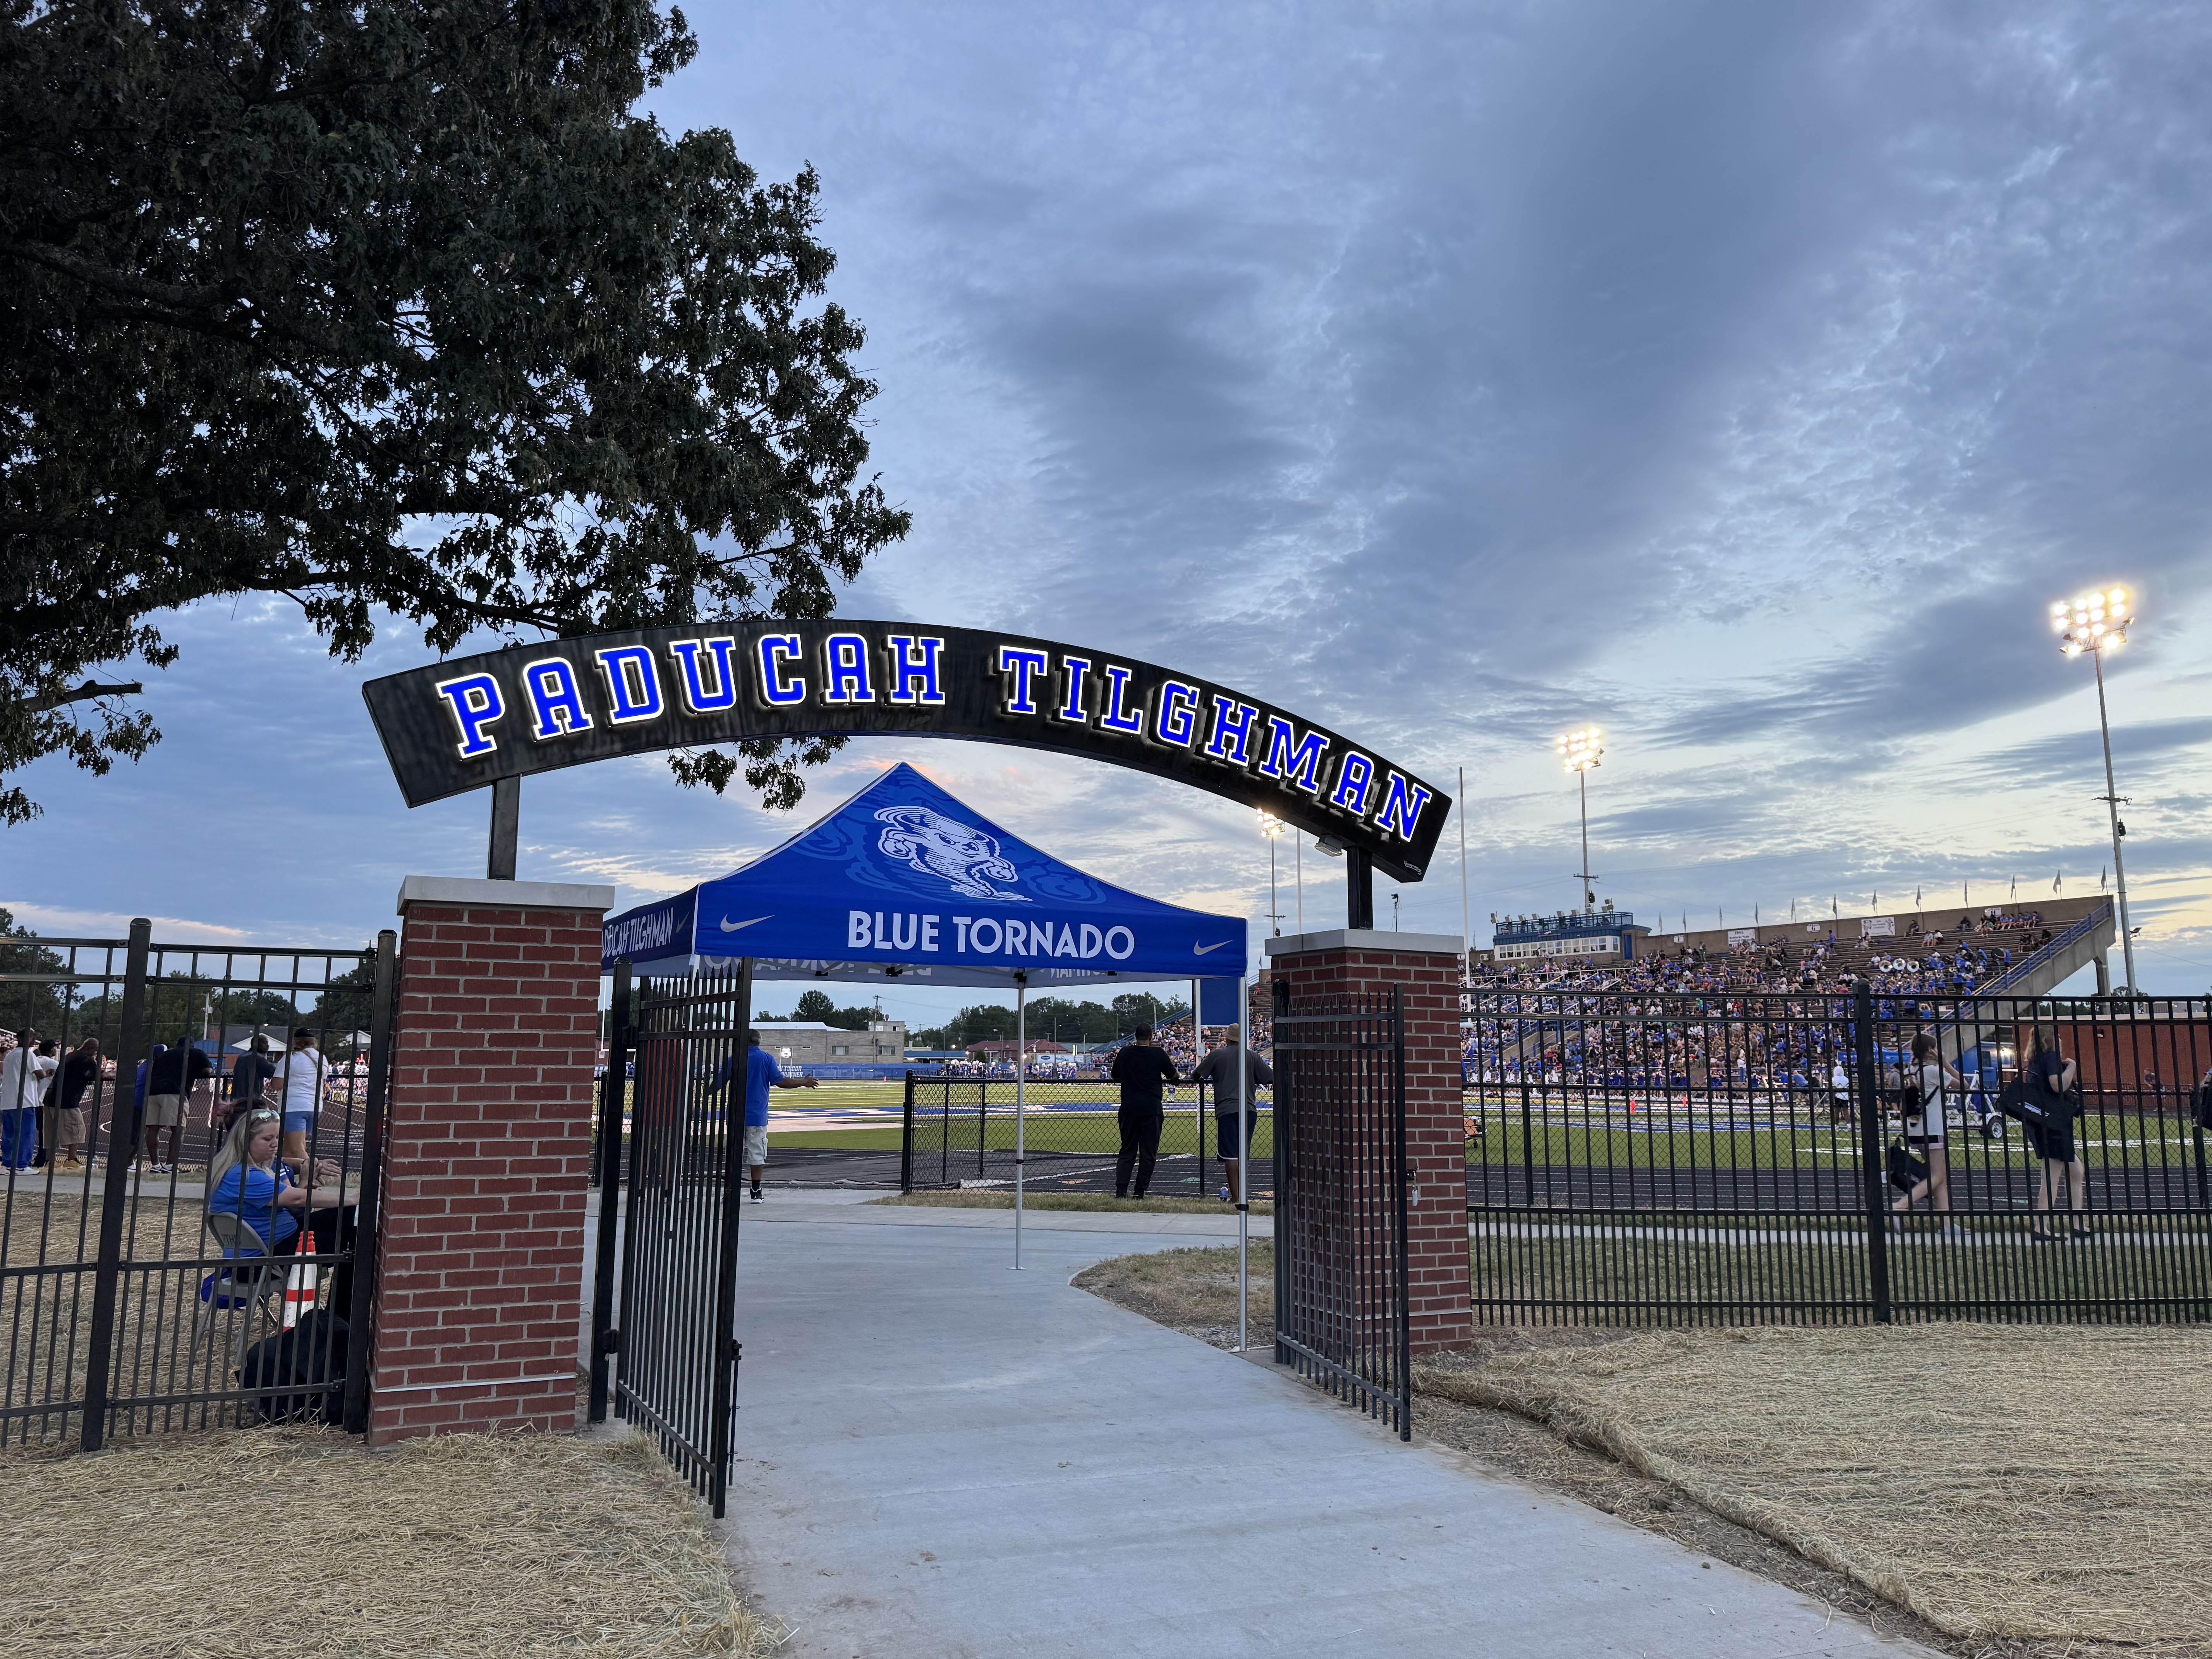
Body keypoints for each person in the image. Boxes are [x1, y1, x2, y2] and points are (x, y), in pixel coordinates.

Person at [1192, 1027, 1273, 1203]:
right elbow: (1270, 1078)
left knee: (1230, 1155)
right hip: (1249, 1109)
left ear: (1227, 1039)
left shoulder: (1217, 1055)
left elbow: (1197, 1075)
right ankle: (1243, 1195)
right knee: (1243, 1154)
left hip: (1227, 1109)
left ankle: (1236, 1198)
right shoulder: (1252, 1056)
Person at [737, 1029, 818, 1202]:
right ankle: (756, 1190)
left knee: (734, 1154)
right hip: (757, 1116)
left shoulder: (734, 1058)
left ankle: (731, 1190)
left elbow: (717, 1085)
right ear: (759, 1042)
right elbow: (781, 1082)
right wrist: (804, 1082)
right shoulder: (766, 1058)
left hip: (736, 1115)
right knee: (757, 1155)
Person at [2023, 1025, 2087, 1239]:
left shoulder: (2035, 1061)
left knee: (2076, 1170)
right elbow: (2058, 1085)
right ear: (2050, 1039)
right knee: (2051, 1175)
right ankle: (2041, 1226)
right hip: (2054, 1124)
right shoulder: (2050, 1058)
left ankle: (2077, 1222)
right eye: (2057, 1035)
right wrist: (2072, 1068)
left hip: (2046, 1122)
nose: (2061, 1039)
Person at [1893, 1031, 1959, 1219]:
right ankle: (1900, 1206)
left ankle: (1947, 1225)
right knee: (1938, 1176)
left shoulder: (1908, 1071)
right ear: (1931, 1051)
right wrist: (1945, 1063)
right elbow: (1964, 1084)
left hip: (1915, 1127)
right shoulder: (1931, 1071)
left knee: (1940, 1178)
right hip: (1933, 1128)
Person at [1109, 1024, 1180, 1199]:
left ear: (1136, 1037)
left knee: (1127, 1150)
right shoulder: (1158, 1054)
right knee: (1148, 1153)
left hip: (1129, 1106)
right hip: (1151, 1107)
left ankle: (1121, 1190)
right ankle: (1139, 1192)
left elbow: (1115, 1074)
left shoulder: (1125, 1053)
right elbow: (1174, 1077)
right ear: (1151, 1038)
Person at [141, 1034, 215, 1173]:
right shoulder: (196, 1053)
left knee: (153, 1128)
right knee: (178, 1129)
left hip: (153, 1091)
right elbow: (208, 1071)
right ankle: (170, 1166)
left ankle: (156, 1165)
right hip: (175, 1091)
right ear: (192, 1045)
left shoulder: (165, 1055)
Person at [273, 1027, 329, 1177]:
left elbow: (277, 1084)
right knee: (287, 1149)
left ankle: (314, 1177)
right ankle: (285, 1178)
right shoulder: (322, 1059)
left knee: (297, 1148)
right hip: (315, 1106)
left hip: (293, 1106)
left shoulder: (290, 1058)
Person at [0, 1030, 53, 1171]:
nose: (33, 1040)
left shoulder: (10, 1055)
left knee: (9, 1134)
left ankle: (7, 1164)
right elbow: (40, 1074)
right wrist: (47, 1074)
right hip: (24, 1100)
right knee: (26, 1134)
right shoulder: (28, 1054)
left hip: (8, 1101)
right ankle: (22, 1165)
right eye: (32, 1038)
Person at [46, 1038, 99, 1170]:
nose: (95, 1053)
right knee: (77, 1128)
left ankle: (50, 1161)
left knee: (52, 1131)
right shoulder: (86, 1060)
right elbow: (92, 1074)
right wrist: (106, 1074)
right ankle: (71, 1159)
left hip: (51, 1097)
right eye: (96, 1050)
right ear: (91, 1049)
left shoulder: (70, 1056)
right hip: (69, 1100)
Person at [222, 1034, 279, 1135]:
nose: (268, 1046)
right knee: (252, 1129)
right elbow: (273, 1071)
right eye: (266, 1044)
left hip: (237, 1098)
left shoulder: (243, 1056)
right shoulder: (258, 1058)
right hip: (252, 1099)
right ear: (260, 1045)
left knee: (237, 1128)